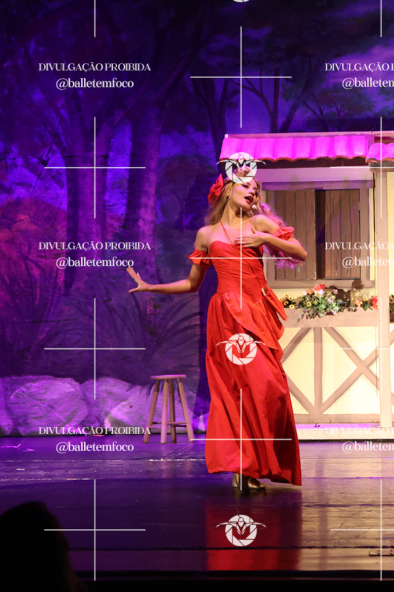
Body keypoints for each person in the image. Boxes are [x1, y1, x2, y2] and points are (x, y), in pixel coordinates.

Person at [127, 169, 307, 492]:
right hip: (225, 318)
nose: (252, 192)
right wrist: (151, 287)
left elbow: (300, 252)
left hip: (255, 313)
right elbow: (192, 283)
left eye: (256, 189)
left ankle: (257, 462)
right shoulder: (206, 235)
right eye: (246, 186)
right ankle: (243, 466)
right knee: (234, 391)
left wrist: (266, 239)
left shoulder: (259, 224)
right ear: (227, 190)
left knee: (270, 387)